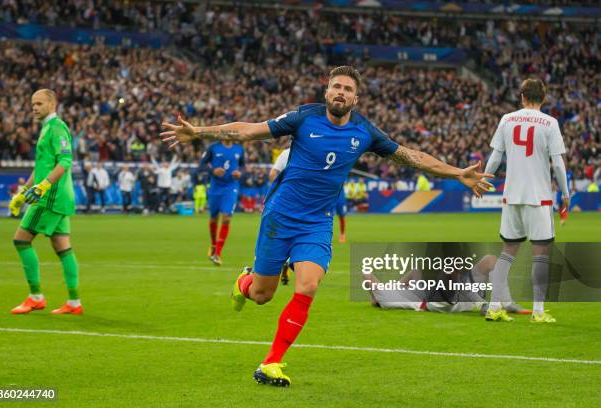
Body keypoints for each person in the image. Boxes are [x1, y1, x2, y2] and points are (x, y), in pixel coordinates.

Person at [161, 66, 492, 386]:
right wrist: (200, 133)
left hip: (317, 222)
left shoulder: (365, 131)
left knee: (307, 286)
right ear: (327, 91)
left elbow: (412, 156)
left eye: (348, 89)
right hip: (280, 217)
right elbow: (249, 130)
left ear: (355, 99)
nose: (341, 93)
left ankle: (271, 363)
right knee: (262, 294)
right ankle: (244, 282)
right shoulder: (305, 118)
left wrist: (456, 172)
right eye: (337, 87)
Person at [484, 78, 569, 324]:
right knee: (540, 254)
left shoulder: (506, 119)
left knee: (507, 252)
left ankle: (494, 307)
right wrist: (565, 194)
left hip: (511, 197)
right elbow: (559, 164)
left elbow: (495, 157)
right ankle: (539, 312)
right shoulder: (550, 123)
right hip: (539, 198)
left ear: (522, 96)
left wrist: (485, 181)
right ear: (543, 98)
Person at [8, 89, 81, 315]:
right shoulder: (46, 128)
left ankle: (35, 297)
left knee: (21, 240)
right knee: (62, 247)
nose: (35, 108)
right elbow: (42, 168)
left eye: (39, 103)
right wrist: (24, 191)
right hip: (54, 195)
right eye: (33, 104)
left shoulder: (57, 127)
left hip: (50, 198)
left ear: (52, 103)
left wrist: (44, 186)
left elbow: (66, 160)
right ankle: (74, 302)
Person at [366, 255, 530, 315]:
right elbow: (366, 274)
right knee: (450, 270)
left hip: (456, 292)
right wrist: (375, 295)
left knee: (490, 260)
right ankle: (484, 305)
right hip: (436, 302)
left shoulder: (390, 291)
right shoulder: (387, 297)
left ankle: (504, 303)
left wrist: (401, 283)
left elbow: (416, 270)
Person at [198, 139, 245, 266]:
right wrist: (213, 170)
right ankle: (213, 244)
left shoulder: (239, 148)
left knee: (226, 218)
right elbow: (202, 164)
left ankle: (217, 253)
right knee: (214, 219)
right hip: (215, 188)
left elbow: (242, 166)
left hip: (231, 187)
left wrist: (239, 173)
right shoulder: (213, 147)